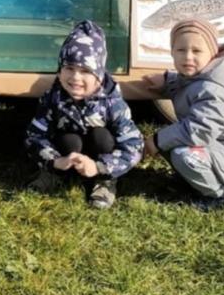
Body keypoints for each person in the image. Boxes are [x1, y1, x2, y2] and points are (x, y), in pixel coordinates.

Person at [141, 18, 224, 210]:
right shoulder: (204, 77)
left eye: (196, 51)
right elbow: (188, 84)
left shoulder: (215, 89)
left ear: (212, 54)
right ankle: (198, 182)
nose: (188, 57)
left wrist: (155, 140)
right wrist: (167, 81)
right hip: (222, 148)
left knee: (184, 154)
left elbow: (200, 131)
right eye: (181, 50)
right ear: (172, 52)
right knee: (172, 140)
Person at [24, 20, 144, 209]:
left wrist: (99, 167)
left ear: (99, 77)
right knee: (69, 140)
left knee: (102, 137)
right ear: (60, 70)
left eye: (86, 71)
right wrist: (54, 161)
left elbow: (134, 146)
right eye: (69, 68)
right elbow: (35, 135)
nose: (75, 77)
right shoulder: (53, 98)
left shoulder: (112, 104)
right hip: (67, 155)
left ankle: (104, 182)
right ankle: (56, 175)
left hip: (100, 156)